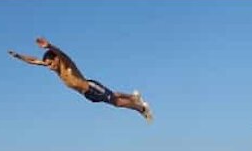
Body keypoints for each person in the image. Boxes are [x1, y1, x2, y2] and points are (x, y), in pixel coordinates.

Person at [9, 37, 153, 123]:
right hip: (87, 94)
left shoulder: (66, 65)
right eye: (47, 65)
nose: (49, 67)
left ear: (57, 60)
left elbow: (61, 53)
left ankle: (141, 108)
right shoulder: (56, 69)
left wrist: (50, 46)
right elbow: (35, 60)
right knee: (113, 96)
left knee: (116, 102)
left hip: (91, 87)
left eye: (51, 63)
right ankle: (134, 96)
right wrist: (19, 56)